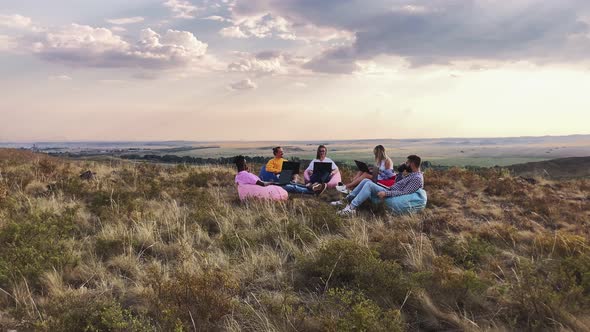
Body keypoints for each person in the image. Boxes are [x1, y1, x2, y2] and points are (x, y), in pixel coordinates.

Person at [334, 155, 427, 215]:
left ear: (413, 164)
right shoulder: (412, 175)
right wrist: (401, 173)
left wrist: (386, 194)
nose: (406, 164)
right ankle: (347, 200)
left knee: (369, 185)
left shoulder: (417, 178)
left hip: (390, 192)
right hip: (390, 189)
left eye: (407, 163)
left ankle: (351, 208)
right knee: (366, 180)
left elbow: (404, 192)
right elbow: (397, 183)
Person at [235, 156, 326, 196]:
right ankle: (313, 192)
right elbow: (262, 184)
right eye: (246, 164)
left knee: (289, 183)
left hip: (270, 183)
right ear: (243, 165)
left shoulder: (238, 176)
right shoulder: (247, 175)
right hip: (268, 188)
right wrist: (272, 182)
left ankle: (311, 187)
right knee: (290, 187)